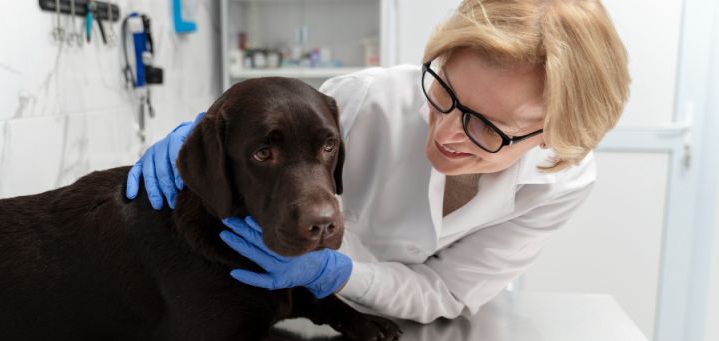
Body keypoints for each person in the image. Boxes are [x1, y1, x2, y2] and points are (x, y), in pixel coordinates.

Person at [125, 0, 630, 323]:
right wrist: (202, 141)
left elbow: (446, 292)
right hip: (307, 317)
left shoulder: (559, 181)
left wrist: (334, 272)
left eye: (488, 126)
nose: (446, 133)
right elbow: (267, 134)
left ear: (552, 137)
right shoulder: (364, 100)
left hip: (431, 329)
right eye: (446, 91)